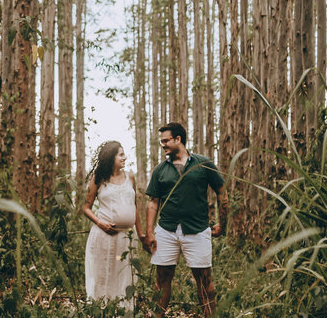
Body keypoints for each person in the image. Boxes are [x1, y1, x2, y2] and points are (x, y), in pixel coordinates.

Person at [144, 122, 227, 318]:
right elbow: (152, 202)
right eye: (161, 141)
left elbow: (221, 192)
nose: (163, 144)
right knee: (162, 280)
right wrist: (149, 233)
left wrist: (223, 223)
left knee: (205, 281)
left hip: (197, 230)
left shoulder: (203, 164)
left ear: (178, 139)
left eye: (166, 140)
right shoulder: (160, 170)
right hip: (166, 231)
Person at [81, 141, 144, 314]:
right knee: (104, 273)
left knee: (125, 274)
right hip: (104, 236)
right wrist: (99, 222)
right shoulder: (99, 178)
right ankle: (101, 310)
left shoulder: (130, 177)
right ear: (111, 157)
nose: (124, 157)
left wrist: (141, 232)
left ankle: (124, 312)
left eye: (124, 154)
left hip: (127, 238)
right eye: (120, 154)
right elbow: (86, 207)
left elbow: (135, 207)